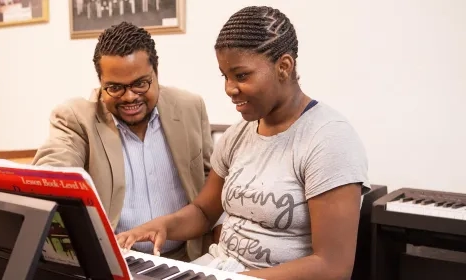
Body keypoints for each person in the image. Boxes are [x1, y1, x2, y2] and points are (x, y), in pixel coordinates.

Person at [115, 6, 370, 279]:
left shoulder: (328, 138)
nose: (229, 89)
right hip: (215, 269)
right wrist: (162, 225)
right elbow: (203, 212)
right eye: (225, 76)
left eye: (241, 75)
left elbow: (332, 266)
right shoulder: (239, 134)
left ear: (284, 67)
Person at [32, 22, 217, 262]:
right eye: (115, 88)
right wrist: (46, 179)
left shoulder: (190, 107)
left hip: (186, 258)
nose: (130, 97)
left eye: (141, 83)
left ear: (157, 74)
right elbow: (54, 167)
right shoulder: (76, 118)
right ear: (101, 84)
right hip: (118, 261)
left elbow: (209, 182)